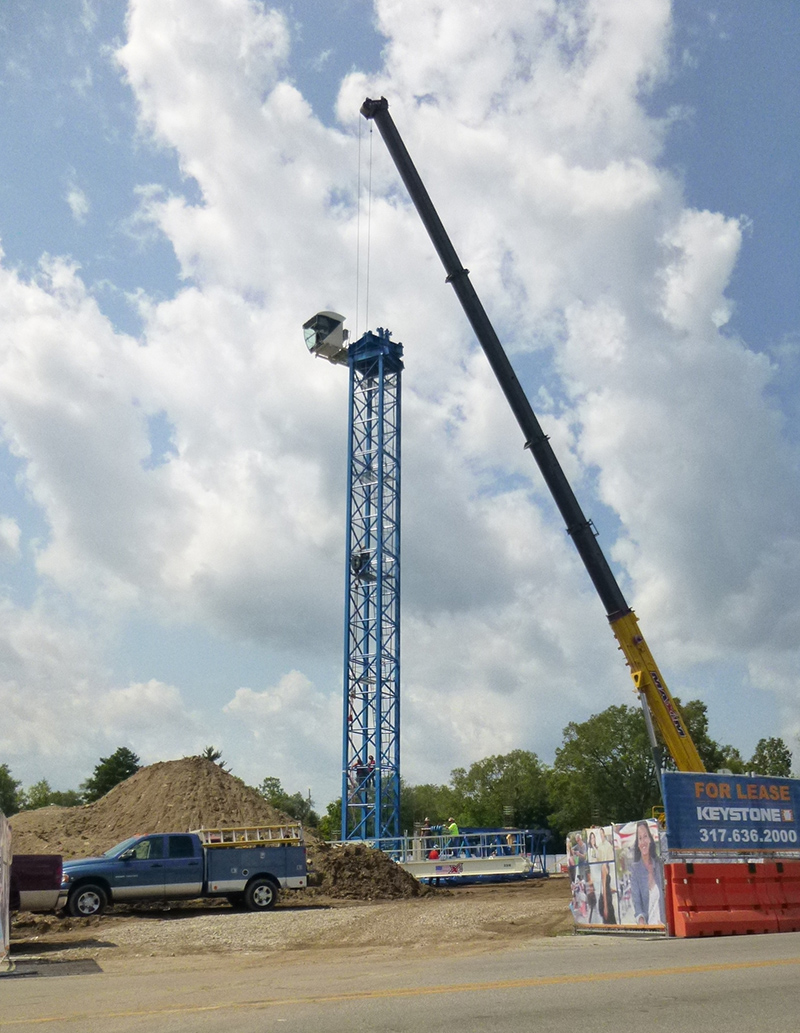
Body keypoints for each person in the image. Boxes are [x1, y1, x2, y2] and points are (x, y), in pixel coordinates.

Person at [630, 820, 665, 925]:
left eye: (645, 836)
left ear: (650, 839)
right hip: (649, 927)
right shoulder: (635, 870)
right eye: (640, 838)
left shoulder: (659, 865)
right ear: (638, 844)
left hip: (664, 925)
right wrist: (641, 921)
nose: (643, 841)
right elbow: (637, 902)